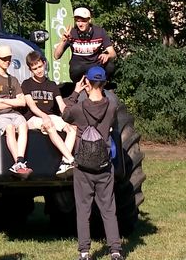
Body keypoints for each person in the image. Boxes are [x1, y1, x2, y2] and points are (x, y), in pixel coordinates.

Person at [62, 66, 124, 260]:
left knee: (83, 209)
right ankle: (115, 250)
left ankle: (84, 252)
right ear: (104, 83)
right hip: (104, 166)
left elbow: (65, 115)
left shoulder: (79, 108)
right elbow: (112, 123)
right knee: (108, 208)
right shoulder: (112, 107)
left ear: (87, 82)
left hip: (83, 166)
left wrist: (76, 92)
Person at [21, 51, 77, 178]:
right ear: (30, 69)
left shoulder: (52, 85)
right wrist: (44, 117)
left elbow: (61, 104)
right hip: (33, 118)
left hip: (50, 116)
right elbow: (32, 106)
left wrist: (69, 116)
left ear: (44, 64)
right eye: (34, 68)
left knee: (72, 129)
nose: (38, 70)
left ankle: (65, 163)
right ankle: (71, 159)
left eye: (40, 66)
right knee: (49, 125)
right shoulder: (26, 84)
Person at [0, 45, 33, 179]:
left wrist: (1, 101)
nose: (7, 61)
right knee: (9, 128)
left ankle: (20, 160)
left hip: (14, 114)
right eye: (4, 58)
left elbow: (22, 102)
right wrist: (11, 101)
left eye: (9, 58)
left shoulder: (14, 80)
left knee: (23, 124)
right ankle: (18, 163)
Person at [53, 7, 116, 84]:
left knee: (110, 66)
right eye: (77, 21)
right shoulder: (71, 33)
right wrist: (63, 41)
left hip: (95, 65)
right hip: (78, 68)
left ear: (89, 20)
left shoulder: (100, 32)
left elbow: (113, 53)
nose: (80, 24)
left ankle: (103, 86)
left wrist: (107, 55)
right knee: (77, 69)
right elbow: (56, 56)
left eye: (83, 21)